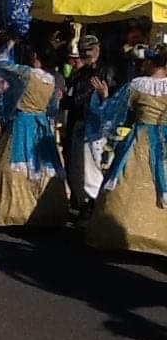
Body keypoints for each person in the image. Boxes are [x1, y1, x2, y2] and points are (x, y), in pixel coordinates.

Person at [0, 42, 68, 227]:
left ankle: (11, 210)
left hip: (23, 122)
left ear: (35, 56)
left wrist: (10, 44)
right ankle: (42, 211)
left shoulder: (26, 73)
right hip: (41, 125)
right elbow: (53, 108)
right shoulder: (51, 80)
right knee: (41, 167)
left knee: (15, 163)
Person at [85, 45, 167, 254]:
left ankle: (119, 232)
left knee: (127, 179)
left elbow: (113, 112)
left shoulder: (136, 85)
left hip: (139, 138)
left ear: (150, 63)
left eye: (145, 61)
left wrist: (104, 96)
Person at [61, 34, 113, 215]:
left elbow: (114, 101)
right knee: (76, 167)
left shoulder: (107, 70)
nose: (85, 54)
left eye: (88, 50)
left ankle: (94, 203)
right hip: (79, 123)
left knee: (92, 167)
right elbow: (72, 98)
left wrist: (105, 95)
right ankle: (83, 203)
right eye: (82, 51)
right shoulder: (80, 73)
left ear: (97, 50)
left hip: (96, 127)